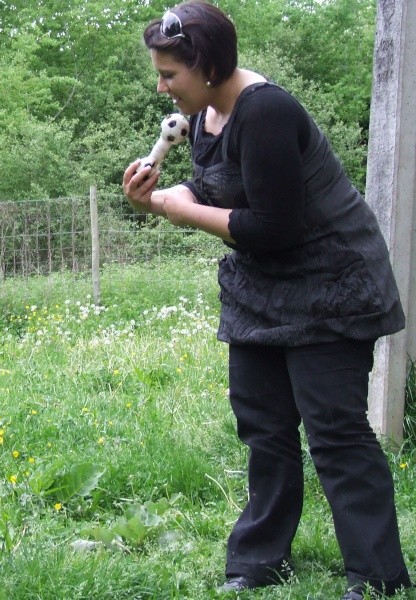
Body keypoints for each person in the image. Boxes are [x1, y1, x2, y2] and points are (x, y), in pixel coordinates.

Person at [122, 2, 411, 599]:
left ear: (204, 65)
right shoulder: (204, 116)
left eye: (169, 74)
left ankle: (377, 576)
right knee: (264, 428)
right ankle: (257, 562)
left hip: (332, 287)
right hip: (263, 291)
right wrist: (168, 192)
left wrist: (183, 211)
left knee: (335, 431)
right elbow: (218, 187)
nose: (162, 86)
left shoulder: (268, 111)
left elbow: (275, 226)